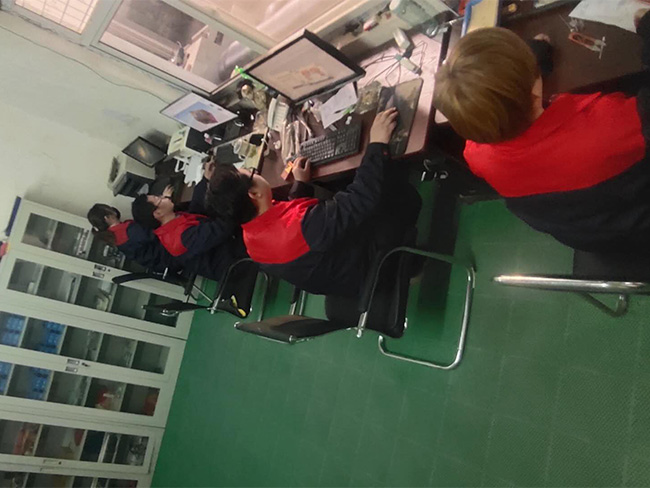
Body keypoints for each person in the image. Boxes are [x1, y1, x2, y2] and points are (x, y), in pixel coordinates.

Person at [433, 17, 650, 253]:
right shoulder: (613, 124)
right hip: (636, 226)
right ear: (534, 88)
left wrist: (522, 70)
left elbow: (499, 104)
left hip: (592, 236)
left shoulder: (476, 155)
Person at [205, 109, 422, 297]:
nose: (256, 172)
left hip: (339, 276)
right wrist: (377, 143)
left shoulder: (251, 242)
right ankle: (409, 268)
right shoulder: (307, 226)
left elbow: (285, 227)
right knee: (394, 189)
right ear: (254, 194)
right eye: (252, 173)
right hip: (370, 267)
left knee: (343, 186)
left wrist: (300, 184)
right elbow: (361, 199)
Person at [131, 189, 246, 282]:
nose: (164, 197)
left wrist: (206, 180)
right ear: (158, 213)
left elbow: (197, 207)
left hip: (228, 243)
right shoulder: (180, 238)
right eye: (159, 199)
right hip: (235, 262)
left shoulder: (172, 220)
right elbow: (221, 229)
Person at [86, 204, 175, 272]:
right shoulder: (127, 232)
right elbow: (159, 235)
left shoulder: (117, 237)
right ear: (107, 218)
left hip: (163, 262)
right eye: (110, 209)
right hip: (170, 255)